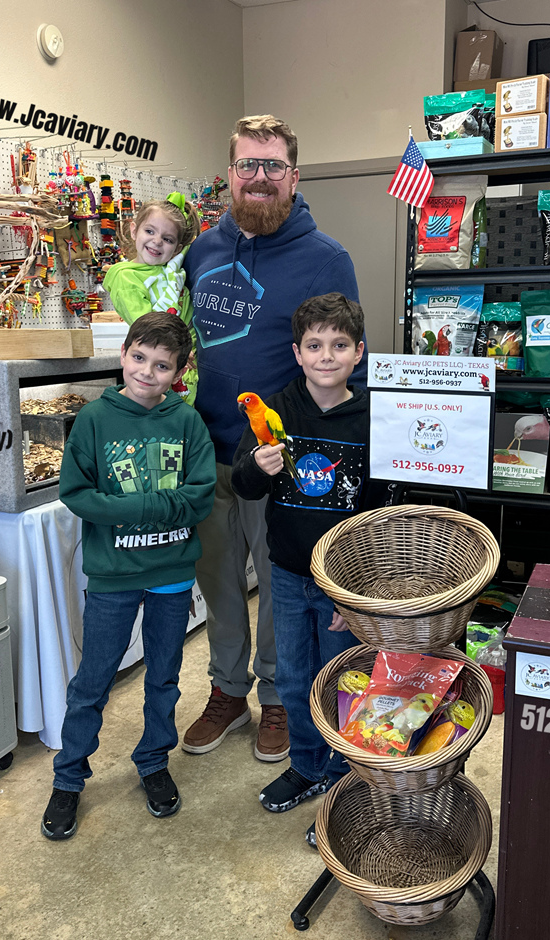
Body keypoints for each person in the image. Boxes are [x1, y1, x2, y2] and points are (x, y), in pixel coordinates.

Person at [181, 114, 366, 762]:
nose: (259, 178)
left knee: (280, 587)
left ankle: (279, 697)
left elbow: (347, 365)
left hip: (282, 459)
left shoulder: (327, 259)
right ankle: (227, 690)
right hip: (208, 452)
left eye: (273, 166)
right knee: (219, 584)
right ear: (230, 173)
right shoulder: (201, 251)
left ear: (294, 175)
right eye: (247, 165)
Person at [41, 312, 215, 840]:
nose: (147, 372)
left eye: (162, 365)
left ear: (179, 372)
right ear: (123, 355)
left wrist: (129, 508)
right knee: (92, 680)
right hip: (113, 575)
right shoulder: (94, 419)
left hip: (171, 574)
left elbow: (200, 496)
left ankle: (153, 760)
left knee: (164, 676)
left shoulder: (187, 421)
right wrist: (153, 506)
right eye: (139, 358)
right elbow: (77, 493)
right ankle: (69, 777)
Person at [232, 293, 380, 843]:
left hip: (344, 581)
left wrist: (355, 590)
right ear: (297, 353)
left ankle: (345, 779)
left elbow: (381, 509)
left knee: (344, 682)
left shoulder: (373, 416)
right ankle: (308, 765)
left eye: (339, 345)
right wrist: (257, 464)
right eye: (314, 346)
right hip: (289, 574)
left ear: (358, 352)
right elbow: (243, 484)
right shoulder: (276, 408)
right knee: (293, 679)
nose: (326, 356)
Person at [103, 193, 202, 405]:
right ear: (134, 230)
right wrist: (181, 349)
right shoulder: (125, 276)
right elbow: (146, 325)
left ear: (177, 249)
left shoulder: (171, 270)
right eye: (149, 231)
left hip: (192, 365)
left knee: (187, 420)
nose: (157, 241)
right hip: (164, 364)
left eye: (167, 239)